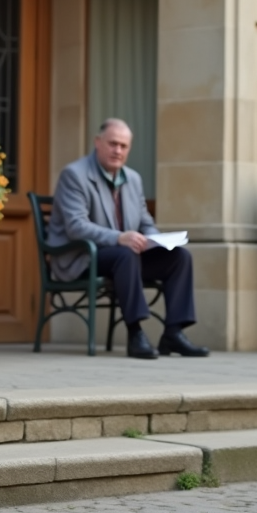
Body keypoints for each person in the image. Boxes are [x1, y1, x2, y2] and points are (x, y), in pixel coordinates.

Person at [47, 119, 209, 360]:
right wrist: (120, 237)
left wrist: (157, 241)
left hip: (124, 258)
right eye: (112, 144)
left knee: (179, 257)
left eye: (123, 146)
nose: (118, 151)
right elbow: (76, 227)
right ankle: (135, 333)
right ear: (97, 142)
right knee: (125, 254)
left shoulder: (133, 179)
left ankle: (173, 333)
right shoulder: (74, 175)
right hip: (83, 257)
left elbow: (145, 221)